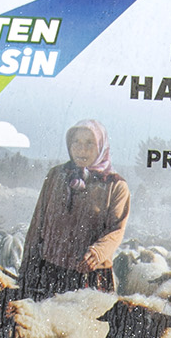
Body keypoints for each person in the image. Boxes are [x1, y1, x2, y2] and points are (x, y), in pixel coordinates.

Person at [19, 119, 129, 299]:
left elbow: (117, 230)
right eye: (76, 142)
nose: (81, 149)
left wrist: (98, 252)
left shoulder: (115, 185)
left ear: (101, 146)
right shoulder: (56, 176)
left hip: (90, 275)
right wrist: (27, 267)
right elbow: (37, 223)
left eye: (89, 143)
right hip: (50, 271)